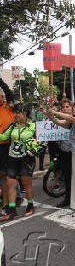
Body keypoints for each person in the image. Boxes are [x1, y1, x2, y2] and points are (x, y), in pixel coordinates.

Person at [0, 103, 44, 221]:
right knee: (10, 184)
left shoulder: (33, 126)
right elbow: (3, 137)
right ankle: (12, 210)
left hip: (26, 159)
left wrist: (34, 150)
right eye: (14, 113)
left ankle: (30, 206)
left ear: (25, 114)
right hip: (12, 158)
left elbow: (42, 142)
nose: (15, 115)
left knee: (26, 184)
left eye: (18, 113)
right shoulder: (13, 126)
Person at [50, 99, 73, 208]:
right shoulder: (61, 119)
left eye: (67, 106)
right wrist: (48, 114)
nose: (65, 109)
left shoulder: (74, 118)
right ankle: (68, 198)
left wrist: (53, 115)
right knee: (67, 176)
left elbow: (62, 123)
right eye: (63, 107)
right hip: (64, 152)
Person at [0, 78, 16, 213]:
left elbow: (10, 95)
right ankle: (5, 202)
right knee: (2, 176)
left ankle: (11, 202)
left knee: (8, 176)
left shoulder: (8, 105)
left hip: (8, 146)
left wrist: (1, 83)